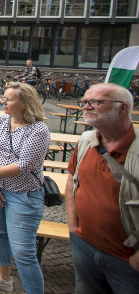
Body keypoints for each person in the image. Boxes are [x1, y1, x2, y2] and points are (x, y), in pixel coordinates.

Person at [65, 83, 139, 293]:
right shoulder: (87, 140)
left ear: (123, 108)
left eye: (95, 102)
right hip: (84, 246)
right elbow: (72, 180)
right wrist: (72, 227)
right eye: (84, 102)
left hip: (126, 259)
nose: (86, 107)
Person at [0, 82, 49, 293]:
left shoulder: (38, 130)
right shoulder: (0, 121)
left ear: (25, 103)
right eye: (4, 97)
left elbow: (23, 165)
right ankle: (4, 279)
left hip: (23, 195)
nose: (3, 101)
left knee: (23, 252)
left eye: (9, 99)